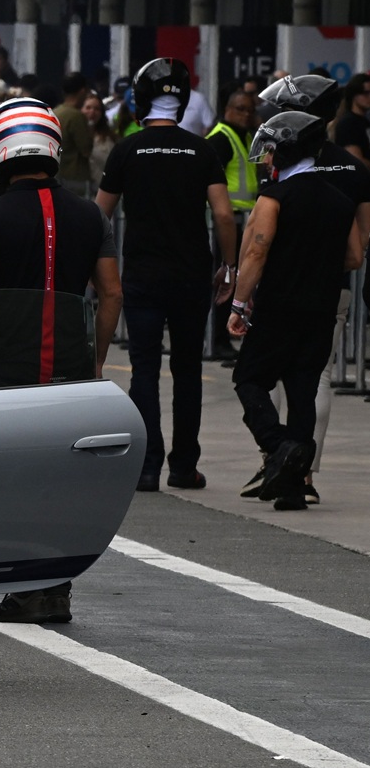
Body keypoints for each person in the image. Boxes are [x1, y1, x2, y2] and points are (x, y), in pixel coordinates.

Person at [0, 97, 123, 623]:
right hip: (70, 362)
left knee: (14, 479)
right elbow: (111, 293)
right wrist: (96, 359)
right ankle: (56, 589)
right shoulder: (90, 215)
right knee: (61, 480)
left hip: (9, 364)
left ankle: (24, 589)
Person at [95, 58, 238, 492]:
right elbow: (224, 214)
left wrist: (94, 269)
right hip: (191, 275)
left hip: (142, 275)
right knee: (188, 369)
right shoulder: (202, 150)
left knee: (144, 368)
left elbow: (100, 214)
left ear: (141, 99)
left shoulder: (127, 150)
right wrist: (229, 266)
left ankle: (146, 466)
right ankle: (184, 465)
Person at [228, 111, 363, 511]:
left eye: (271, 151)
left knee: (249, 379)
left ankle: (278, 445)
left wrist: (239, 303)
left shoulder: (275, 197)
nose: (267, 158)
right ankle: (292, 489)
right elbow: (354, 256)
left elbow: (257, 251)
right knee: (303, 390)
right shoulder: (340, 200)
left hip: (279, 306)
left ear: (286, 151)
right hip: (321, 309)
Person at [205, 85, 259, 361]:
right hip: (224, 222)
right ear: (227, 109)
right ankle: (216, 340)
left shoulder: (246, 136)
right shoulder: (221, 138)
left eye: (250, 110)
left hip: (242, 220)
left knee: (234, 281)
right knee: (224, 281)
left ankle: (222, 337)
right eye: (240, 109)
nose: (246, 114)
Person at [53, 73, 94, 197]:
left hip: (58, 175)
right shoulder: (76, 116)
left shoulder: (55, 112)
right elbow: (86, 149)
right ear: (82, 91)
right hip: (75, 179)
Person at [332, 72, 370, 165]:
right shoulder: (348, 123)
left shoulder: (365, 121)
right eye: (366, 93)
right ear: (354, 95)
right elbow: (355, 160)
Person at [82, 92, 115, 183]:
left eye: (96, 109)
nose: (92, 112)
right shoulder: (75, 136)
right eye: (88, 108)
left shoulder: (108, 138)